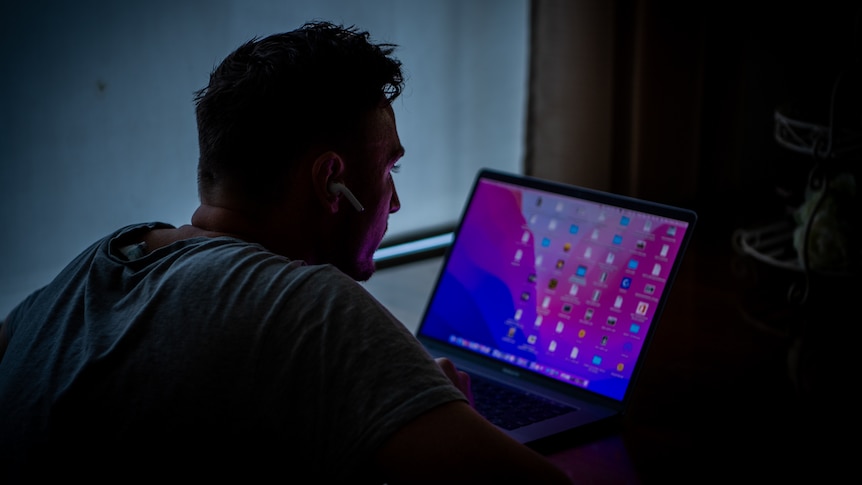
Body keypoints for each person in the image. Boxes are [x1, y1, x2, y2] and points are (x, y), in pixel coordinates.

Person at [0, 21, 572, 484]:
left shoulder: (93, 267)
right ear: (331, 182)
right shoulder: (309, 308)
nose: (394, 203)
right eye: (389, 169)